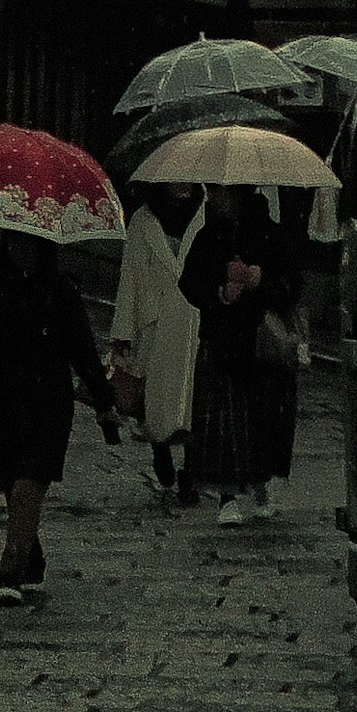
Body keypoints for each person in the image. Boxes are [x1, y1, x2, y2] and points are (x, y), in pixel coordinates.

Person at [0, 233, 124, 603]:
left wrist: (103, 402)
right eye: (14, 242)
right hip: (4, 399)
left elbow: (82, 349)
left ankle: (10, 567)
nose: (21, 250)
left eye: (29, 243)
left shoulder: (61, 290)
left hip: (48, 400)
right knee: (12, 485)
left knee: (30, 481)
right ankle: (32, 557)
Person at [178, 190, 301, 526]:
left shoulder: (272, 235)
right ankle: (228, 495)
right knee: (226, 423)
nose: (213, 197)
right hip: (222, 341)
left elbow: (293, 286)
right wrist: (221, 291)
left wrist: (260, 280)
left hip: (263, 345)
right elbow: (188, 282)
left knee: (261, 420)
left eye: (220, 191)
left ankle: (260, 483)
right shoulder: (210, 236)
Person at [118, 182, 205, 502]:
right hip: (155, 323)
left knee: (194, 399)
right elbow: (129, 278)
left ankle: (192, 472)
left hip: (194, 321)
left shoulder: (205, 213)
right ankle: (160, 450)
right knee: (157, 399)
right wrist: (122, 332)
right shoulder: (143, 220)